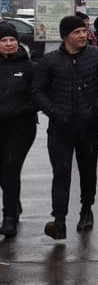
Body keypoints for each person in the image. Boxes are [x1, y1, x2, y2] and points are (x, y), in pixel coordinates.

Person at [32, 15, 98, 240]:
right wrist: (54, 112)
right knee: (61, 173)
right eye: (77, 32)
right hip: (60, 127)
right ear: (65, 36)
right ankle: (59, 220)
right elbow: (38, 91)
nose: (83, 35)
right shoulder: (50, 61)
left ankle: (86, 209)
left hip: (88, 126)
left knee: (88, 171)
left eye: (84, 31)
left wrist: (95, 108)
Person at [0, 22, 36, 237]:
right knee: (2, 171)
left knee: (10, 167)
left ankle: (9, 217)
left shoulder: (28, 67)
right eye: (4, 40)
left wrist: (29, 107)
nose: (8, 44)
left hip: (21, 127)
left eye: (12, 40)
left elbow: (40, 93)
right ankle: (14, 203)